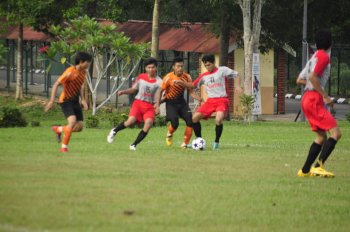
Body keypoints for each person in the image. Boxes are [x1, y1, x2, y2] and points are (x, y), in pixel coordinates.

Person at [296, 29, 341, 177]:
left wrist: (313, 84)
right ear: (330, 43)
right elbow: (312, 77)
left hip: (307, 99)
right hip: (314, 99)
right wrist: (325, 96)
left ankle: (305, 170)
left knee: (321, 137)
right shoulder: (323, 57)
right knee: (336, 133)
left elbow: (300, 79)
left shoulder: (313, 57)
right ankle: (319, 167)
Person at [107, 57, 162, 150]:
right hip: (138, 103)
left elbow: (159, 95)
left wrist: (157, 105)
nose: (151, 69)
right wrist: (123, 91)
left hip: (149, 106)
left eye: (153, 67)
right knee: (130, 121)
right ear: (145, 68)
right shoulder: (141, 77)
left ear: (156, 68)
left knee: (148, 123)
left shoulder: (159, 82)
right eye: (149, 67)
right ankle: (114, 131)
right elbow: (133, 89)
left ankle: (133, 145)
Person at [190, 54, 243, 150]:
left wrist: (238, 86)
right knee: (194, 118)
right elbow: (192, 86)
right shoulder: (203, 76)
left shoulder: (222, 70)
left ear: (214, 62)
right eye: (205, 65)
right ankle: (199, 141)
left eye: (209, 65)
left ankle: (216, 143)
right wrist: (182, 84)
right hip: (210, 101)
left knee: (218, 119)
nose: (207, 67)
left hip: (222, 100)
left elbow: (237, 74)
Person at [45, 52, 92, 153]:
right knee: (72, 122)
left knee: (79, 127)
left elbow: (79, 86)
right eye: (88, 62)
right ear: (81, 62)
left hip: (75, 101)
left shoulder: (84, 72)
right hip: (66, 100)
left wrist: (83, 99)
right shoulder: (70, 71)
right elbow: (56, 84)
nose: (89, 64)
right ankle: (64, 148)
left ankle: (58, 129)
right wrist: (51, 100)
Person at [155, 57, 201, 148]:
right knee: (175, 124)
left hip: (182, 102)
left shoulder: (187, 76)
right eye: (178, 66)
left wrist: (199, 98)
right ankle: (169, 133)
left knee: (190, 120)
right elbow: (160, 91)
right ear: (174, 67)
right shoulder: (168, 77)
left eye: (182, 66)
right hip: (171, 103)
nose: (180, 68)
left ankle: (185, 144)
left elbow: (191, 92)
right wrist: (157, 105)